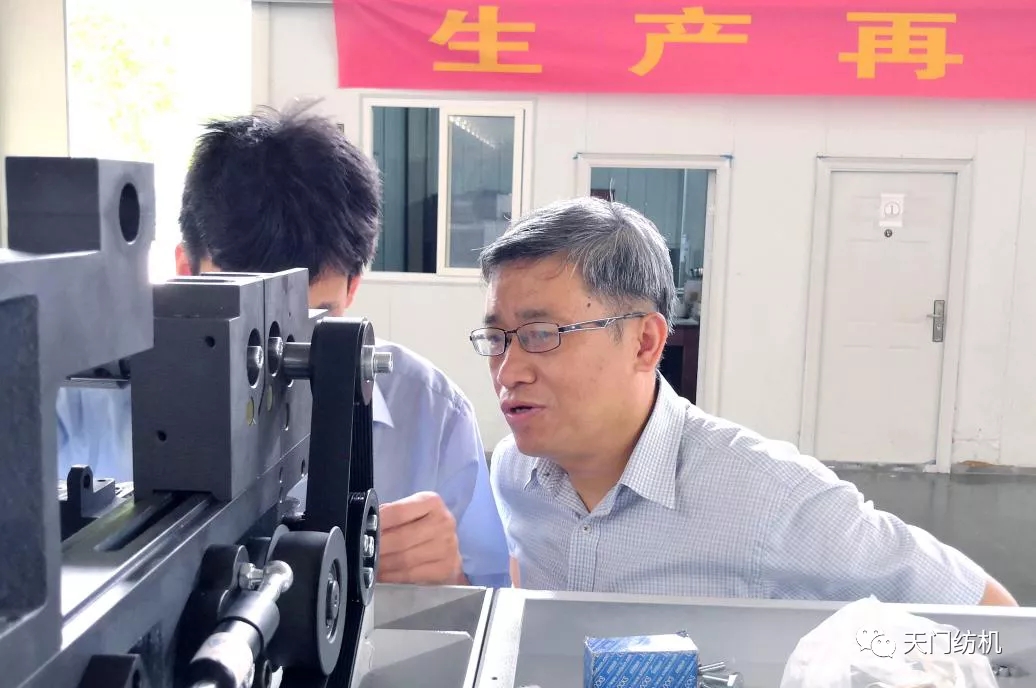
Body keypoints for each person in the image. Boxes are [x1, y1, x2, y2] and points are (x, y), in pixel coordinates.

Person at [470, 195, 1017, 606]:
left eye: (542, 334)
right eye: (497, 338)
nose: (508, 371)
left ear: (644, 342)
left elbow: (991, 620)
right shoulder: (517, 471)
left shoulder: (770, 497)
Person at [57, 103, 510, 588]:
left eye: (312, 320)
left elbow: (488, 598)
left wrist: (451, 577)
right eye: (242, 323)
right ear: (185, 270)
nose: (280, 362)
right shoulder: (79, 404)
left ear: (352, 288)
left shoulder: (431, 415)